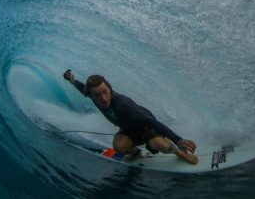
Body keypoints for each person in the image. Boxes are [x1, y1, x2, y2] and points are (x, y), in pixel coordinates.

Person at [63, 70, 198, 164]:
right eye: (97, 95)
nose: (103, 98)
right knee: (118, 146)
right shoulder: (92, 95)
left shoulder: (123, 105)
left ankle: (179, 152)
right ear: (91, 95)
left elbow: (150, 122)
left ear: (109, 89)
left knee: (158, 144)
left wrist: (178, 139)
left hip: (146, 126)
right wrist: (72, 80)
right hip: (130, 129)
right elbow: (82, 88)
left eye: (105, 92)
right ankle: (137, 154)